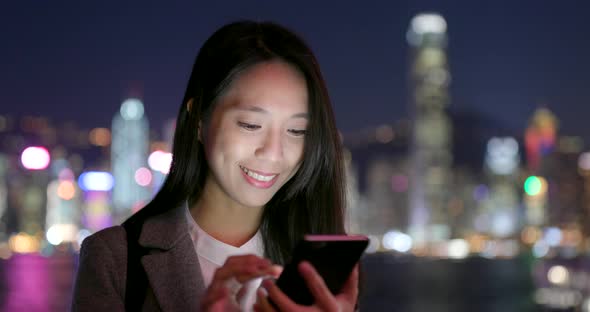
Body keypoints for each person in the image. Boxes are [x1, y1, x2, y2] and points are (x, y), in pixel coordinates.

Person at [72, 20, 359, 312]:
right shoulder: (116, 258)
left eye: (298, 131)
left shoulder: (320, 270)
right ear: (199, 119)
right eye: (251, 124)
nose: (274, 153)